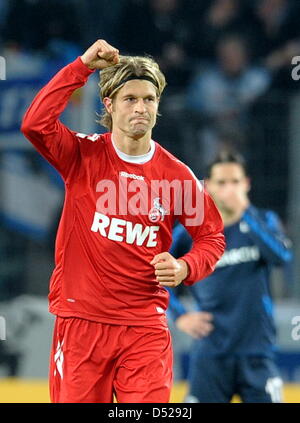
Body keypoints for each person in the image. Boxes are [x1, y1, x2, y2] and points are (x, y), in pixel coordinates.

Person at [21, 39, 225, 403]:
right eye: (130, 99)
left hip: (144, 328)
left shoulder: (177, 177)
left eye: (149, 99)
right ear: (109, 105)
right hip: (82, 322)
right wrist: (81, 67)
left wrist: (184, 267)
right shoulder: (81, 156)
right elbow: (35, 124)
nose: (140, 108)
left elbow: (211, 237)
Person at [168, 151, 293, 403]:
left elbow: (281, 257)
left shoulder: (263, 220)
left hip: (257, 352)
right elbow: (157, 276)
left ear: (246, 184)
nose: (229, 189)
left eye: (235, 182)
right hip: (210, 353)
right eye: (222, 183)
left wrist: (245, 214)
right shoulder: (189, 233)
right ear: (209, 186)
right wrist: (180, 316)